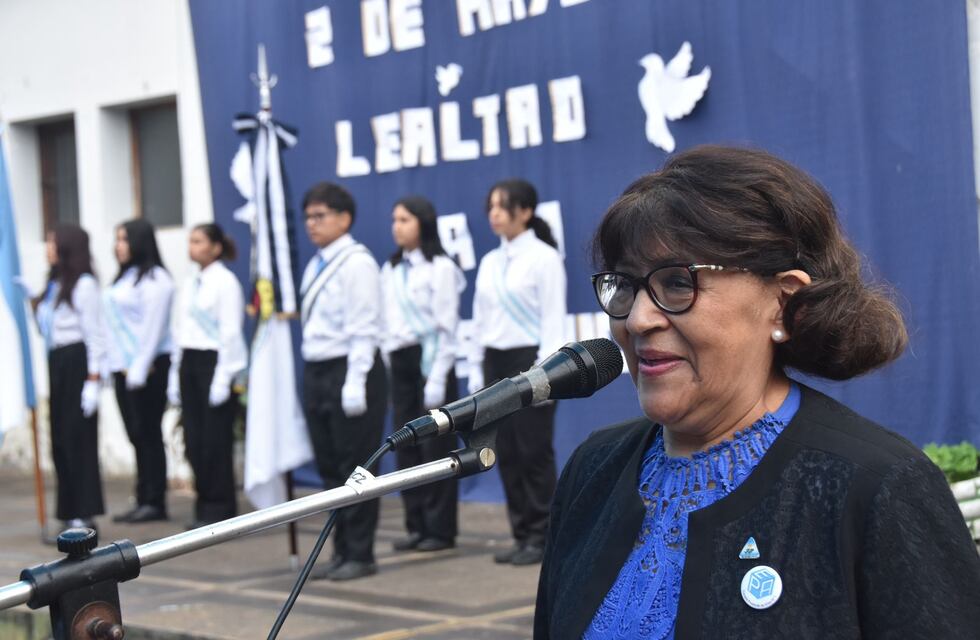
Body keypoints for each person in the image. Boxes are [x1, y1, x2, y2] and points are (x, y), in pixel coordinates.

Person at [534, 145, 980, 639]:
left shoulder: (876, 487)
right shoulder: (593, 469)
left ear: (782, 301)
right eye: (625, 285)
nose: (638, 318)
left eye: (678, 282)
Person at [469, 179, 567, 566]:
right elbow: (480, 320)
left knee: (533, 451)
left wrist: (546, 375)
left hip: (530, 361)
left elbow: (553, 319)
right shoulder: (490, 261)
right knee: (505, 451)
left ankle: (543, 537)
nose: (493, 214)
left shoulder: (543, 258)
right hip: (495, 362)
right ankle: (521, 533)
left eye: (502, 206)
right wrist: (476, 369)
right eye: (490, 206)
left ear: (525, 211)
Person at [299, 182, 388, 581]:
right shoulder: (315, 263)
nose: (311, 225)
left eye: (319, 216)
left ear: (343, 218)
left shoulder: (356, 262)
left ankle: (361, 553)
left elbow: (364, 327)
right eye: (308, 217)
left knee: (357, 467)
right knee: (330, 467)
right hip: (318, 370)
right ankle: (339, 549)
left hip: (351, 370)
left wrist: (355, 381)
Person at [382, 196, 465, 553]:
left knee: (436, 445)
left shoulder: (440, 267)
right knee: (405, 446)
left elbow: (447, 328)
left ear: (423, 223)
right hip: (400, 361)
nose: (397, 226)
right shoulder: (391, 268)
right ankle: (415, 523)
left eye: (404, 219)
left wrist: (437, 376)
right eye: (394, 219)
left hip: (431, 361)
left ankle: (440, 528)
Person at [167, 223, 247, 529]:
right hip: (190, 360)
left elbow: (230, 332)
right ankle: (203, 502)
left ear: (215, 247)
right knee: (194, 438)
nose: (192, 246)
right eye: (190, 240)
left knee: (215, 440)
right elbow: (180, 330)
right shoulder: (190, 282)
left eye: (199, 241)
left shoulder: (225, 283)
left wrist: (223, 378)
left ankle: (220, 506)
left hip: (215, 363)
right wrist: (176, 376)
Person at [34, 223, 107, 532]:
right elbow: (47, 329)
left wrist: (93, 380)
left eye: (53, 243)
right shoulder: (56, 283)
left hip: (77, 361)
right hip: (58, 361)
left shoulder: (84, 284)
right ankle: (68, 510)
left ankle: (84, 512)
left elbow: (96, 337)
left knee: (78, 439)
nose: (48, 249)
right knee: (61, 439)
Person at [105, 218, 175, 524]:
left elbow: (151, 329)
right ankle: (142, 494)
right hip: (123, 369)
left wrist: (139, 367)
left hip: (148, 369)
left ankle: (154, 500)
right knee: (135, 434)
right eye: (117, 239)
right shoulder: (125, 278)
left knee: (148, 433)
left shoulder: (157, 280)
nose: (118, 246)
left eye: (124, 239)